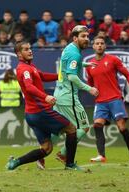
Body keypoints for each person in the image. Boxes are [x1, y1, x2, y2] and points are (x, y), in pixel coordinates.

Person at [6, 41, 79, 170]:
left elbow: (43, 76)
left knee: (46, 148)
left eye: (30, 48)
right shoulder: (24, 69)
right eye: (26, 49)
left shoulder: (30, 67)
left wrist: (61, 76)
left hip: (31, 114)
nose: (30, 51)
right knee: (72, 129)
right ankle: (70, 164)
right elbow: (28, 87)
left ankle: (15, 162)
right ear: (19, 54)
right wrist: (45, 97)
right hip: (41, 112)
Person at [86, 36, 129, 162]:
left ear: (105, 46)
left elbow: (127, 74)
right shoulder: (89, 65)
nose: (99, 45)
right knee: (97, 125)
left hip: (115, 98)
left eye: (102, 43)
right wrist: (90, 89)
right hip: (100, 101)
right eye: (97, 43)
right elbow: (90, 81)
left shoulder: (113, 60)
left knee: (121, 127)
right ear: (93, 46)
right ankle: (101, 155)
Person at [52, 25, 99, 164]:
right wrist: (89, 88)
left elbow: (68, 65)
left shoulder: (69, 48)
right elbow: (72, 77)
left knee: (58, 129)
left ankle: (41, 154)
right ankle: (63, 154)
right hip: (69, 97)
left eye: (87, 36)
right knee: (83, 127)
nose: (86, 39)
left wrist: (85, 64)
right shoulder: (75, 53)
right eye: (83, 36)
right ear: (75, 38)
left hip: (58, 94)